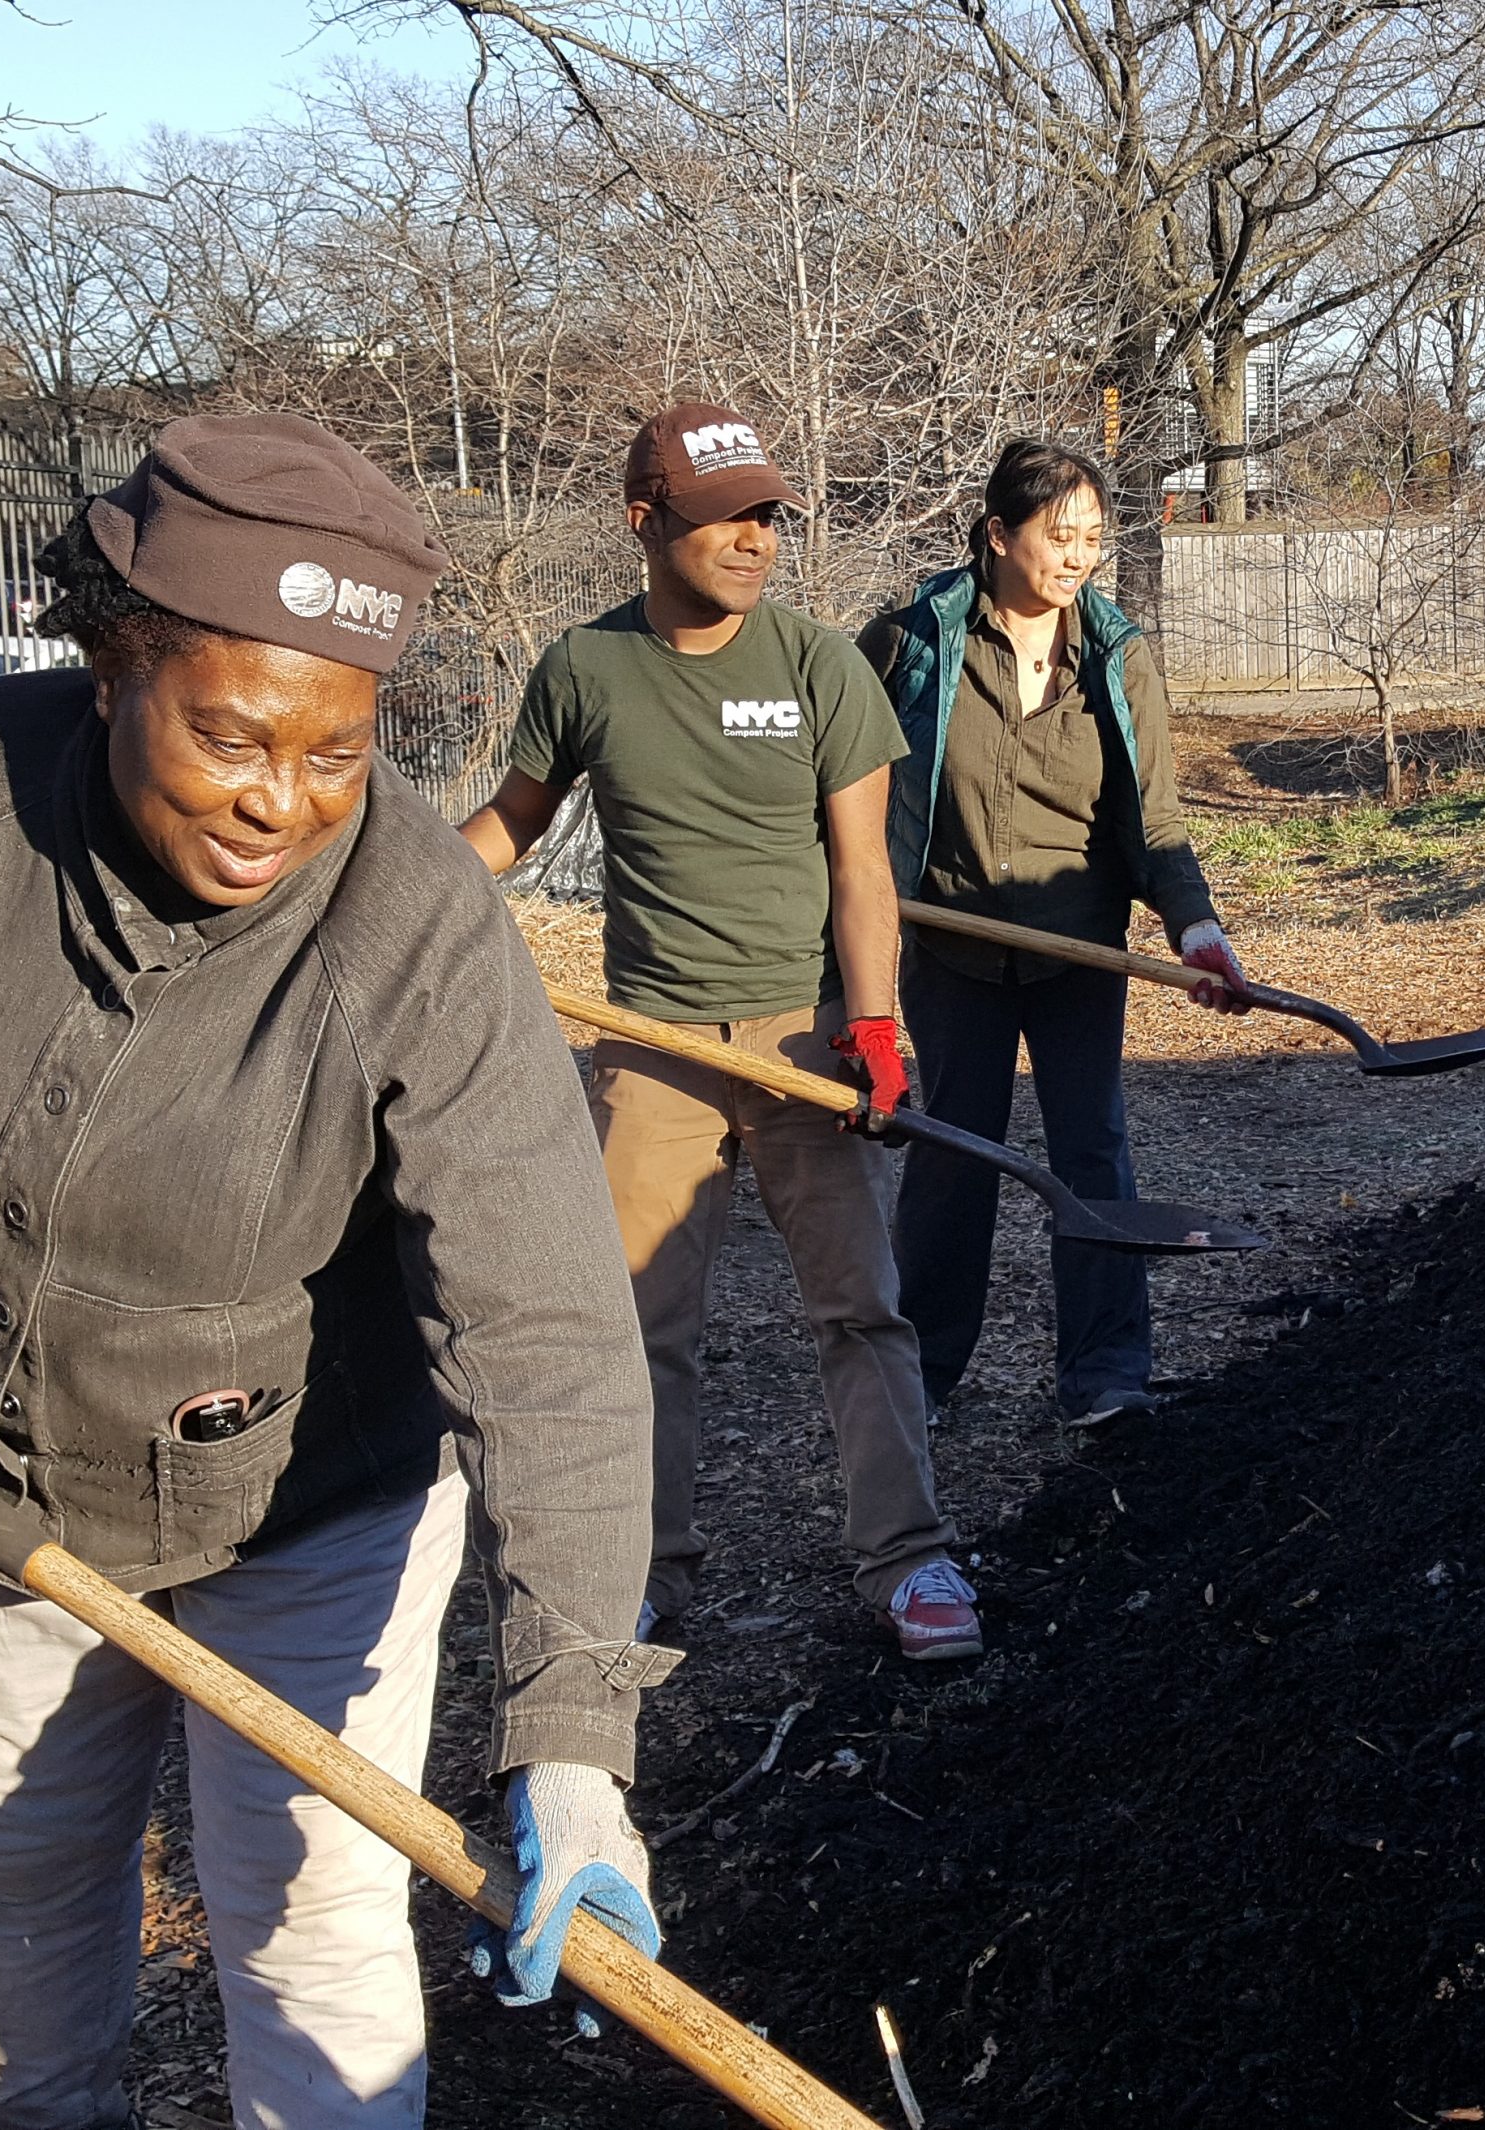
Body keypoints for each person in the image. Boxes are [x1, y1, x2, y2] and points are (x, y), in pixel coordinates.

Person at [0, 413, 671, 2130]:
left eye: (337, 754)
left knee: (314, 1952)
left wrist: (574, 1739)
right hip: (3, 1494)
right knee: (24, 1949)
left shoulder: (420, 929)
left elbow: (547, 1341)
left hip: (313, 1514)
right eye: (229, 736)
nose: (278, 804)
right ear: (111, 667)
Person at [459, 400, 981, 1663]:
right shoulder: (585, 668)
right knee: (635, 1327)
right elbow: (511, 823)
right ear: (644, 522)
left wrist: (874, 1026)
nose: (754, 539)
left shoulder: (818, 665)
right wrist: (404, 889)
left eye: (766, 516)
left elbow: (862, 868)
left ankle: (907, 1556)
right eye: (723, 518)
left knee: (862, 1308)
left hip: (804, 1039)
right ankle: (638, 1569)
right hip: (653, 1047)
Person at [858, 438, 1247, 1428]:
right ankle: (923, 1373)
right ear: (998, 535)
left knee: (1093, 1152)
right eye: (1058, 535)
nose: (1078, 556)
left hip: (1080, 948)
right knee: (953, 1155)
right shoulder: (911, 643)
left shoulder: (1115, 655)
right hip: (951, 945)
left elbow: (1154, 822)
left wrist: (1195, 927)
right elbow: (845, 790)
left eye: (1091, 538)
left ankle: (1105, 1374)